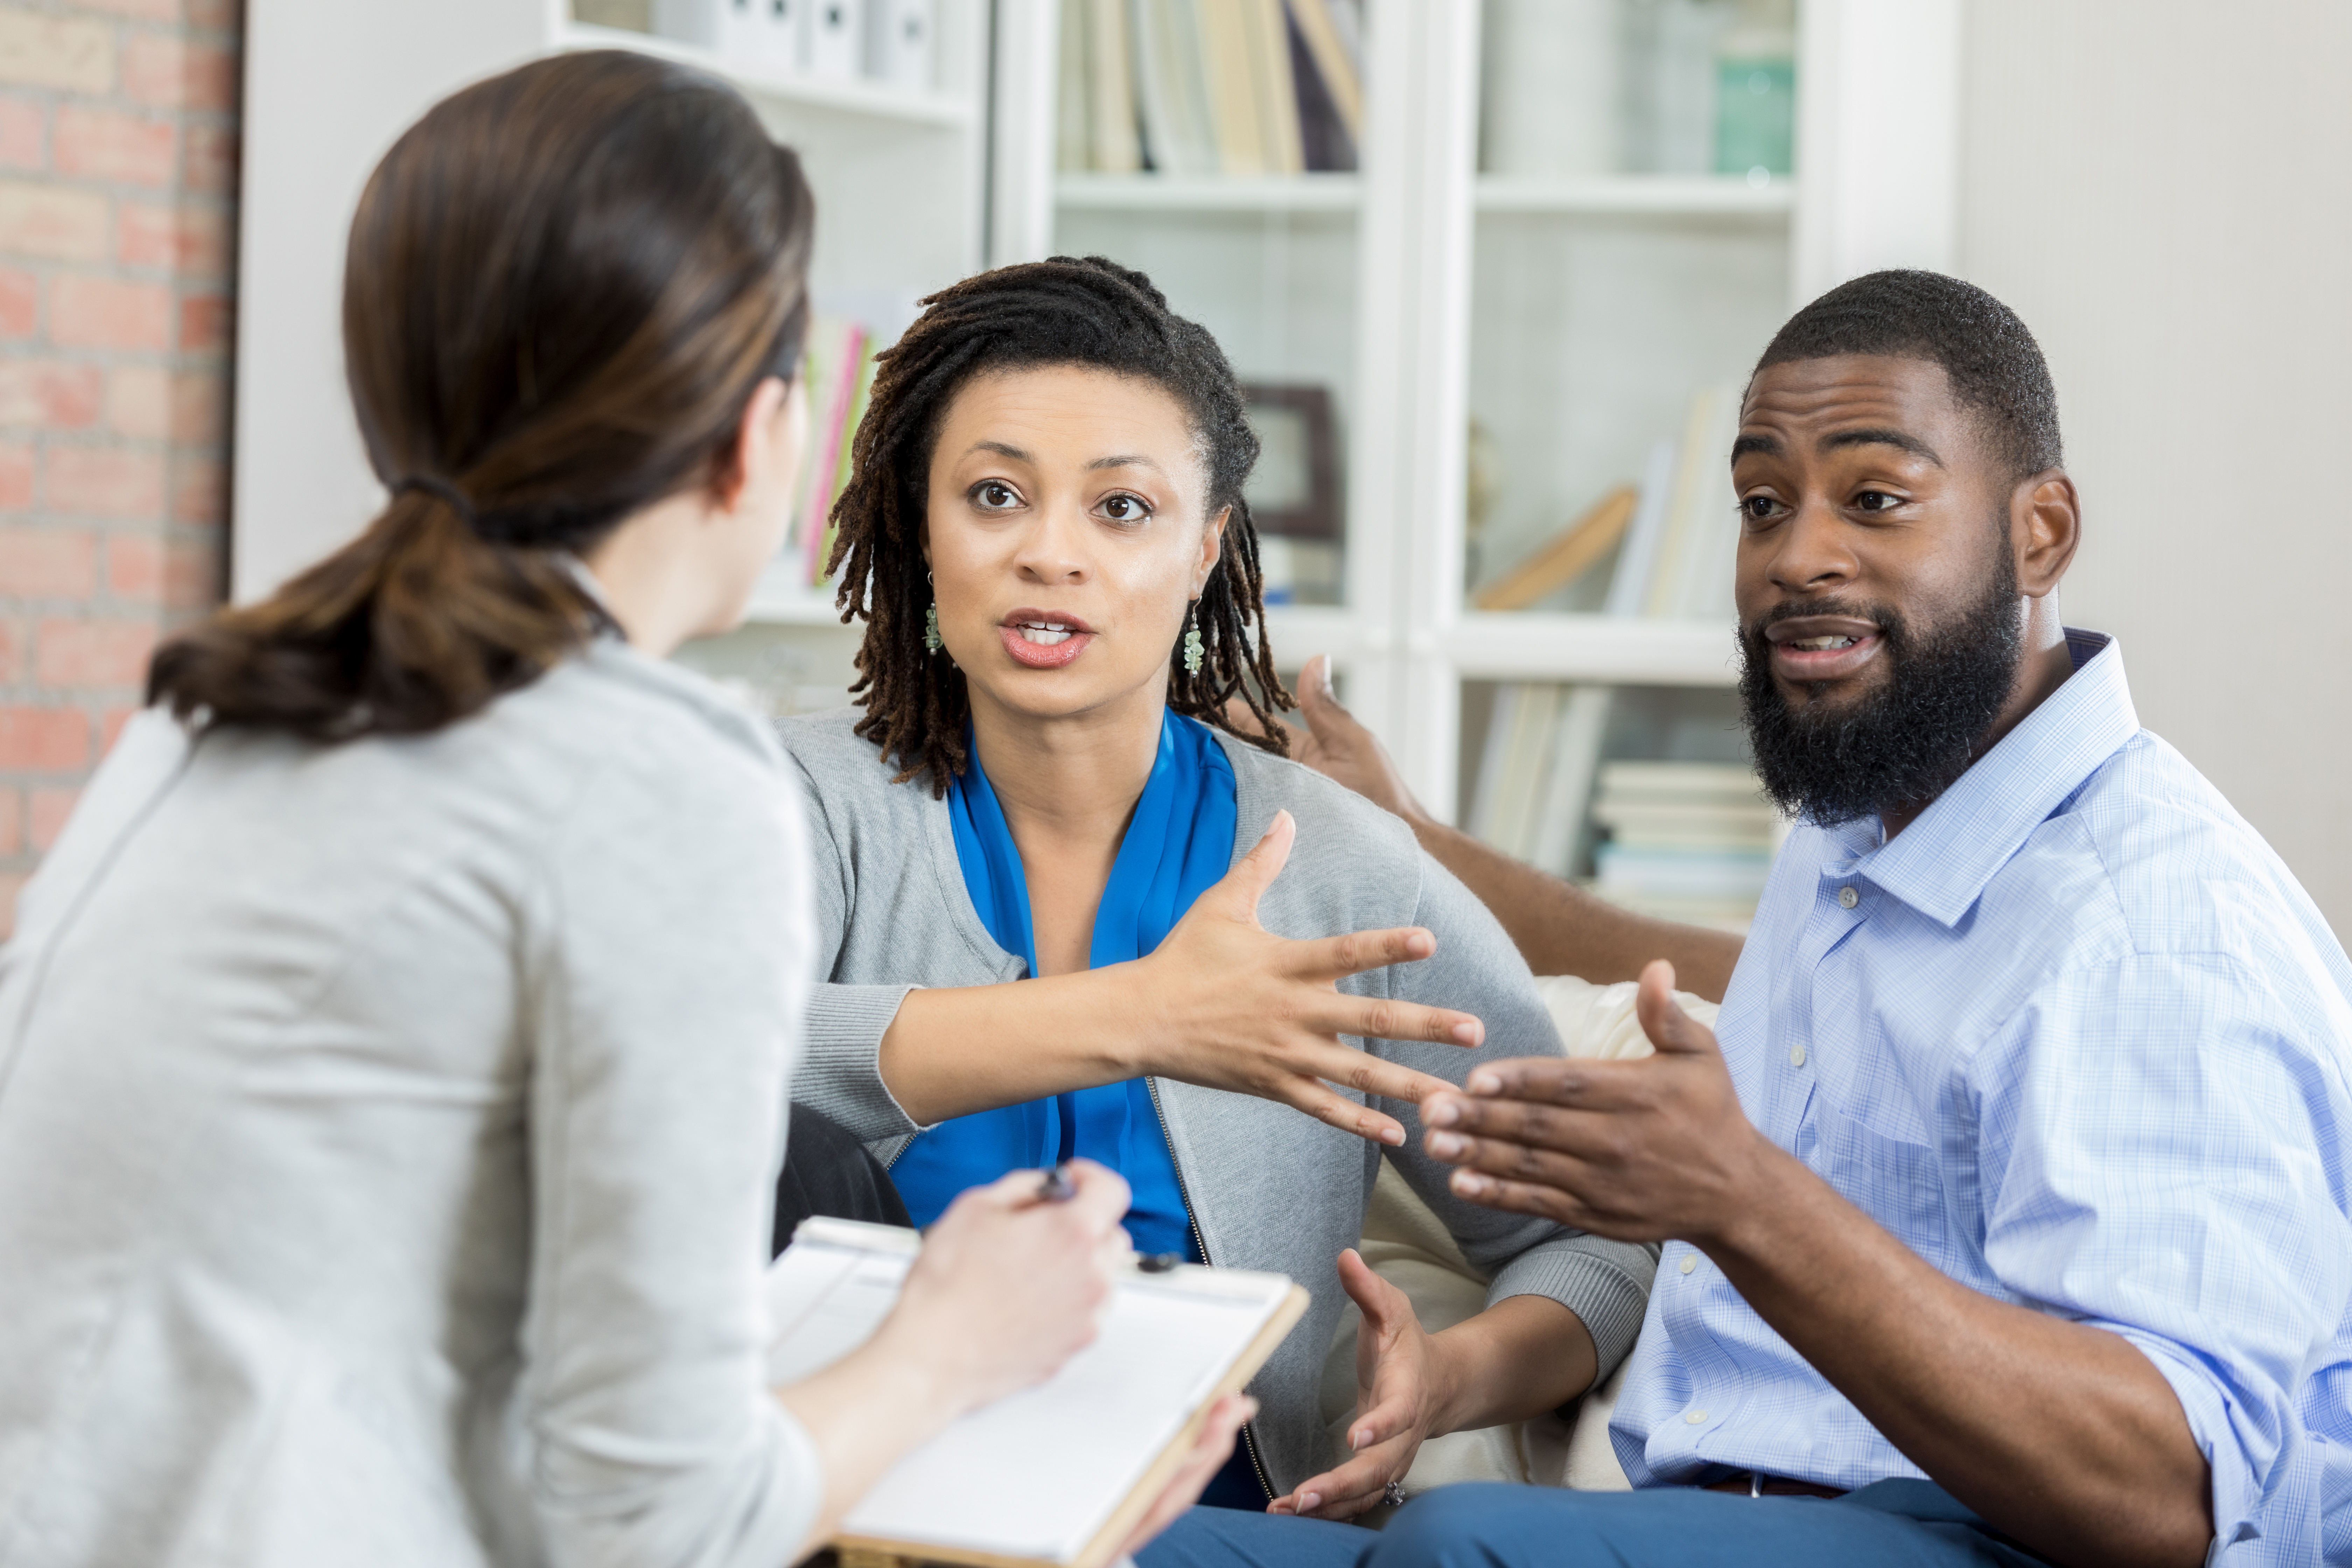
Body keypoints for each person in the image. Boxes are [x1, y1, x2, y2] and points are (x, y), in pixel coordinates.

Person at [0, 54, 1242, 1567]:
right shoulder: (653, 784)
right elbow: (657, 1526)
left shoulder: (212, 712)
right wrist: (957, 1342)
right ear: (760, 436)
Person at [1148, 270, 2352, 1567]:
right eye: (1763, 505)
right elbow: (1715, 975)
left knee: (1462, 1548)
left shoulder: (2157, 928)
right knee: (1111, 1548)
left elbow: (2177, 1499)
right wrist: (1416, 841)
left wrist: (1745, 1200)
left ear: (2041, 535)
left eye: (1877, 499)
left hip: (1996, 1542)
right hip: (1727, 1516)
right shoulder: (1874, 823)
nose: (1797, 557)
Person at [776, 255, 1658, 1521]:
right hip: (850, 1488)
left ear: (1206, 550)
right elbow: (652, 1059)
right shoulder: (796, 803)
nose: (1050, 555)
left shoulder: (1340, 865)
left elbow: (1598, 1239)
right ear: (921, 531)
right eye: (995, 495)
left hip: (1212, 1521)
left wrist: (1448, 1380)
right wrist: (1144, 1016)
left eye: (1120, 511)